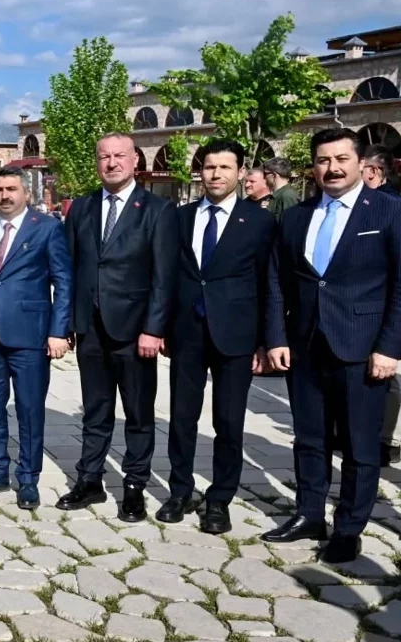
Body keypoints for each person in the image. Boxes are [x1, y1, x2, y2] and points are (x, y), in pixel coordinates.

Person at [262, 128, 401, 563]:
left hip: (363, 349)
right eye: (324, 160)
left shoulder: (389, 211)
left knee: (360, 446)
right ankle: (309, 514)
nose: (333, 168)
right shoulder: (297, 216)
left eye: (342, 159)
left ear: (361, 163)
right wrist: (276, 337)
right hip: (304, 347)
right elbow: (276, 281)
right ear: (313, 166)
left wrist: (390, 347)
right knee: (309, 438)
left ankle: (348, 528)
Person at [159, 140, 276, 534]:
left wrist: (265, 339)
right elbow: (169, 275)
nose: (216, 174)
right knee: (182, 417)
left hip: (236, 336)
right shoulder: (181, 217)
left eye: (225, 167)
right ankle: (180, 491)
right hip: (187, 333)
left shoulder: (258, 221)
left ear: (241, 173)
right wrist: (162, 327)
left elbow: (267, 283)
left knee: (228, 421)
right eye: (210, 167)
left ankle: (220, 499)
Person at [59, 132, 177, 521]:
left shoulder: (157, 210)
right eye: (104, 156)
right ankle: (89, 479)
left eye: (119, 156)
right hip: (90, 328)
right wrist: (69, 321)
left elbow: (164, 276)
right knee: (95, 411)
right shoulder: (82, 208)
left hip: (135, 331)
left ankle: (134, 486)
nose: (111, 163)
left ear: (135, 160)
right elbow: (70, 268)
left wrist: (154, 328)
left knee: (138, 414)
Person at [0, 167, 72, 510]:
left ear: (26, 193)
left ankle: (27, 478)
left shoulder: (47, 228)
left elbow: (63, 282)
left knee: (29, 410)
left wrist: (58, 331)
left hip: (30, 336)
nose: (4, 195)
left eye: (11, 189)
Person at [365, 145, 401, 466]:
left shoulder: (390, 206)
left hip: (388, 310)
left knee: (389, 382)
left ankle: (385, 442)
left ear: (374, 171)